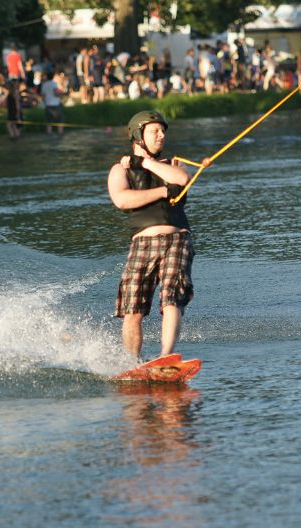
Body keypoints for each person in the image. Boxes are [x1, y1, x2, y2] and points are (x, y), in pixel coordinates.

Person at [108, 111, 197, 359]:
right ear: (138, 135)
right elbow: (122, 199)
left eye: (163, 131)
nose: (161, 135)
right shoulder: (119, 169)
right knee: (132, 309)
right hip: (142, 243)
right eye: (154, 131)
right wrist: (161, 192)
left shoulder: (173, 164)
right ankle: (132, 361)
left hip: (177, 239)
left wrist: (145, 163)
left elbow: (181, 179)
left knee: (172, 298)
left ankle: (166, 355)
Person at [40, 70, 64, 135]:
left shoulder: (44, 85)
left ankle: (49, 136)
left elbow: (43, 96)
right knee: (60, 122)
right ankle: (60, 135)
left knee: (49, 123)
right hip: (56, 105)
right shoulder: (54, 84)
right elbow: (56, 93)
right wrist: (61, 94)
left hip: (48, 105)